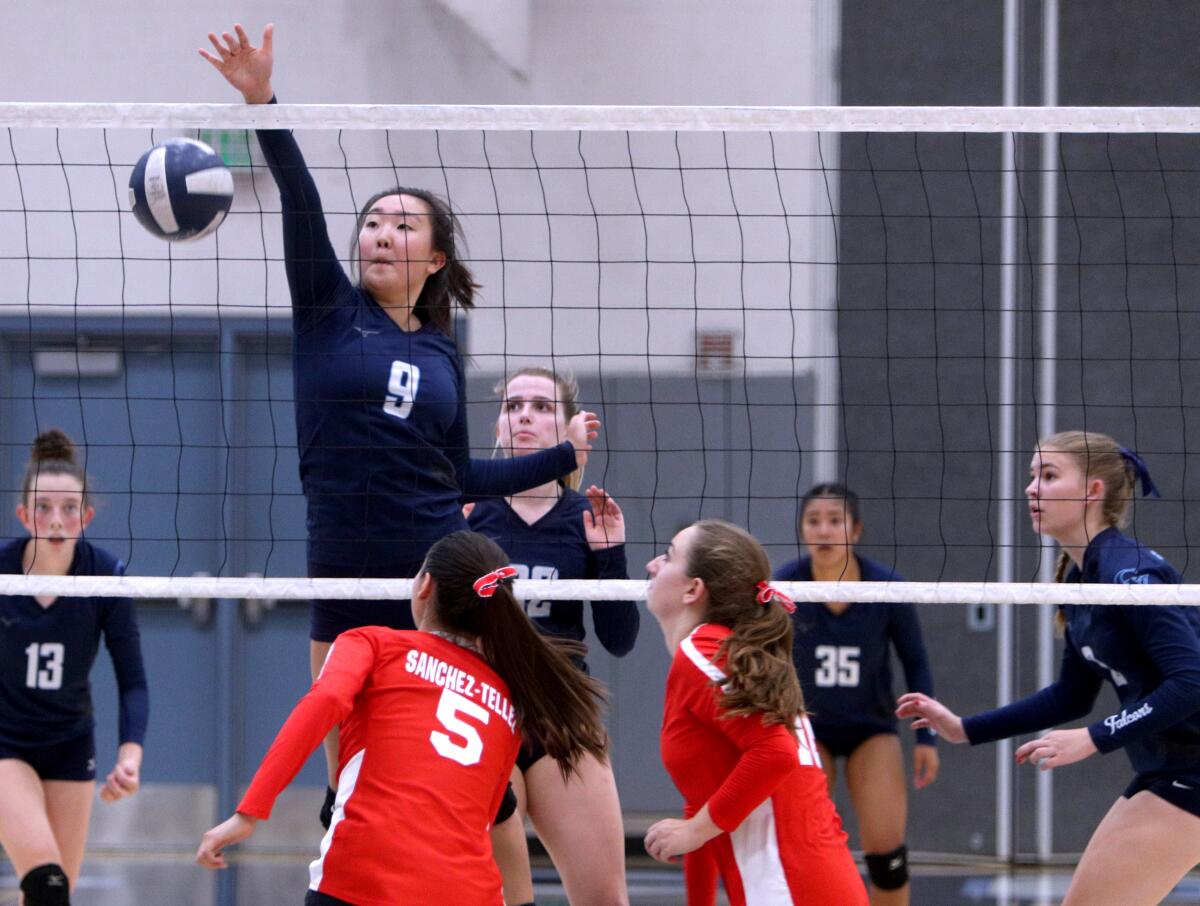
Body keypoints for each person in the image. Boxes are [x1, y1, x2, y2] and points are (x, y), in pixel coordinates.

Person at [200, 23, 599, 810]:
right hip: (345, 566)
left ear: (436, 257)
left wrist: (561, 459)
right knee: (346, 789)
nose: (380, 233)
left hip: (433, 578)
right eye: (374, 222)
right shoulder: (328, 309)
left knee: (477, 793)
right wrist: (263, 103)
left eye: (402, 224)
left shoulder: (443, 353)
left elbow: (458, 475)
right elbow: (303, 201)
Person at [196, 530, 609, 906]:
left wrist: (249, 812)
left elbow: (323, 703)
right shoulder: (504, 698)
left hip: (360, 883)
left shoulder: (371, 643)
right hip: (466, 892)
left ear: (424, 586)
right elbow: (500, 818)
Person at [897, 431, 1200, 906]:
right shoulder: (1078, 579)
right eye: (1032, 476)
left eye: (1049, 476)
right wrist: (963, 729)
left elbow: (1191, 682)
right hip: (1167, 766)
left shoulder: (1130, 573)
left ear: (1093, 491)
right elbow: (1070, 695)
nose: (1031, 489)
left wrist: (1093, 738)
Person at [468, 366, 638, 905]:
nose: (524, 415)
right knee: (496, 896)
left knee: (604, 898)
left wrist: (611, 554)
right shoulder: (469, 515)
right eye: (513, 406)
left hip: (561, 713)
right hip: (483, 713)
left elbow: (619, 639)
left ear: (570, 429)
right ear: (499, 427)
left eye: (542, 406)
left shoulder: (585, 517)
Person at [643, 518, 868, 906]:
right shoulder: (722, 654)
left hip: (791, 883)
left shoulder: (705, 651)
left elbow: (775, 752)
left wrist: (696, 829)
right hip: (795, 882)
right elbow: (700, 802)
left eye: (668, 556)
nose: (652, 565)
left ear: (694, 589)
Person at [0, 430, 148, 906]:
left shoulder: (105, 575)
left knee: (50, 897)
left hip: (69, 743)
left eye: (69, 507)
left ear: (86, 517)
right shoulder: (2, 572)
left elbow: (133, 679)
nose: (56, 520)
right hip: (6, 743)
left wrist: (130, 755)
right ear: (24, 516)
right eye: (43, 507)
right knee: (48, 883)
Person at [774, 483, 937, 906]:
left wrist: (926, 737)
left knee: (887, 856)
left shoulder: (888, 586)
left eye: (835, 521)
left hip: (871, 729)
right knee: (804, 847)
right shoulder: (783, 587)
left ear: (856, 529)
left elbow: (916, 663)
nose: (824, 531)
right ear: (802, 529)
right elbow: (760, 659)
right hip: (809, 728)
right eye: (814, 521)